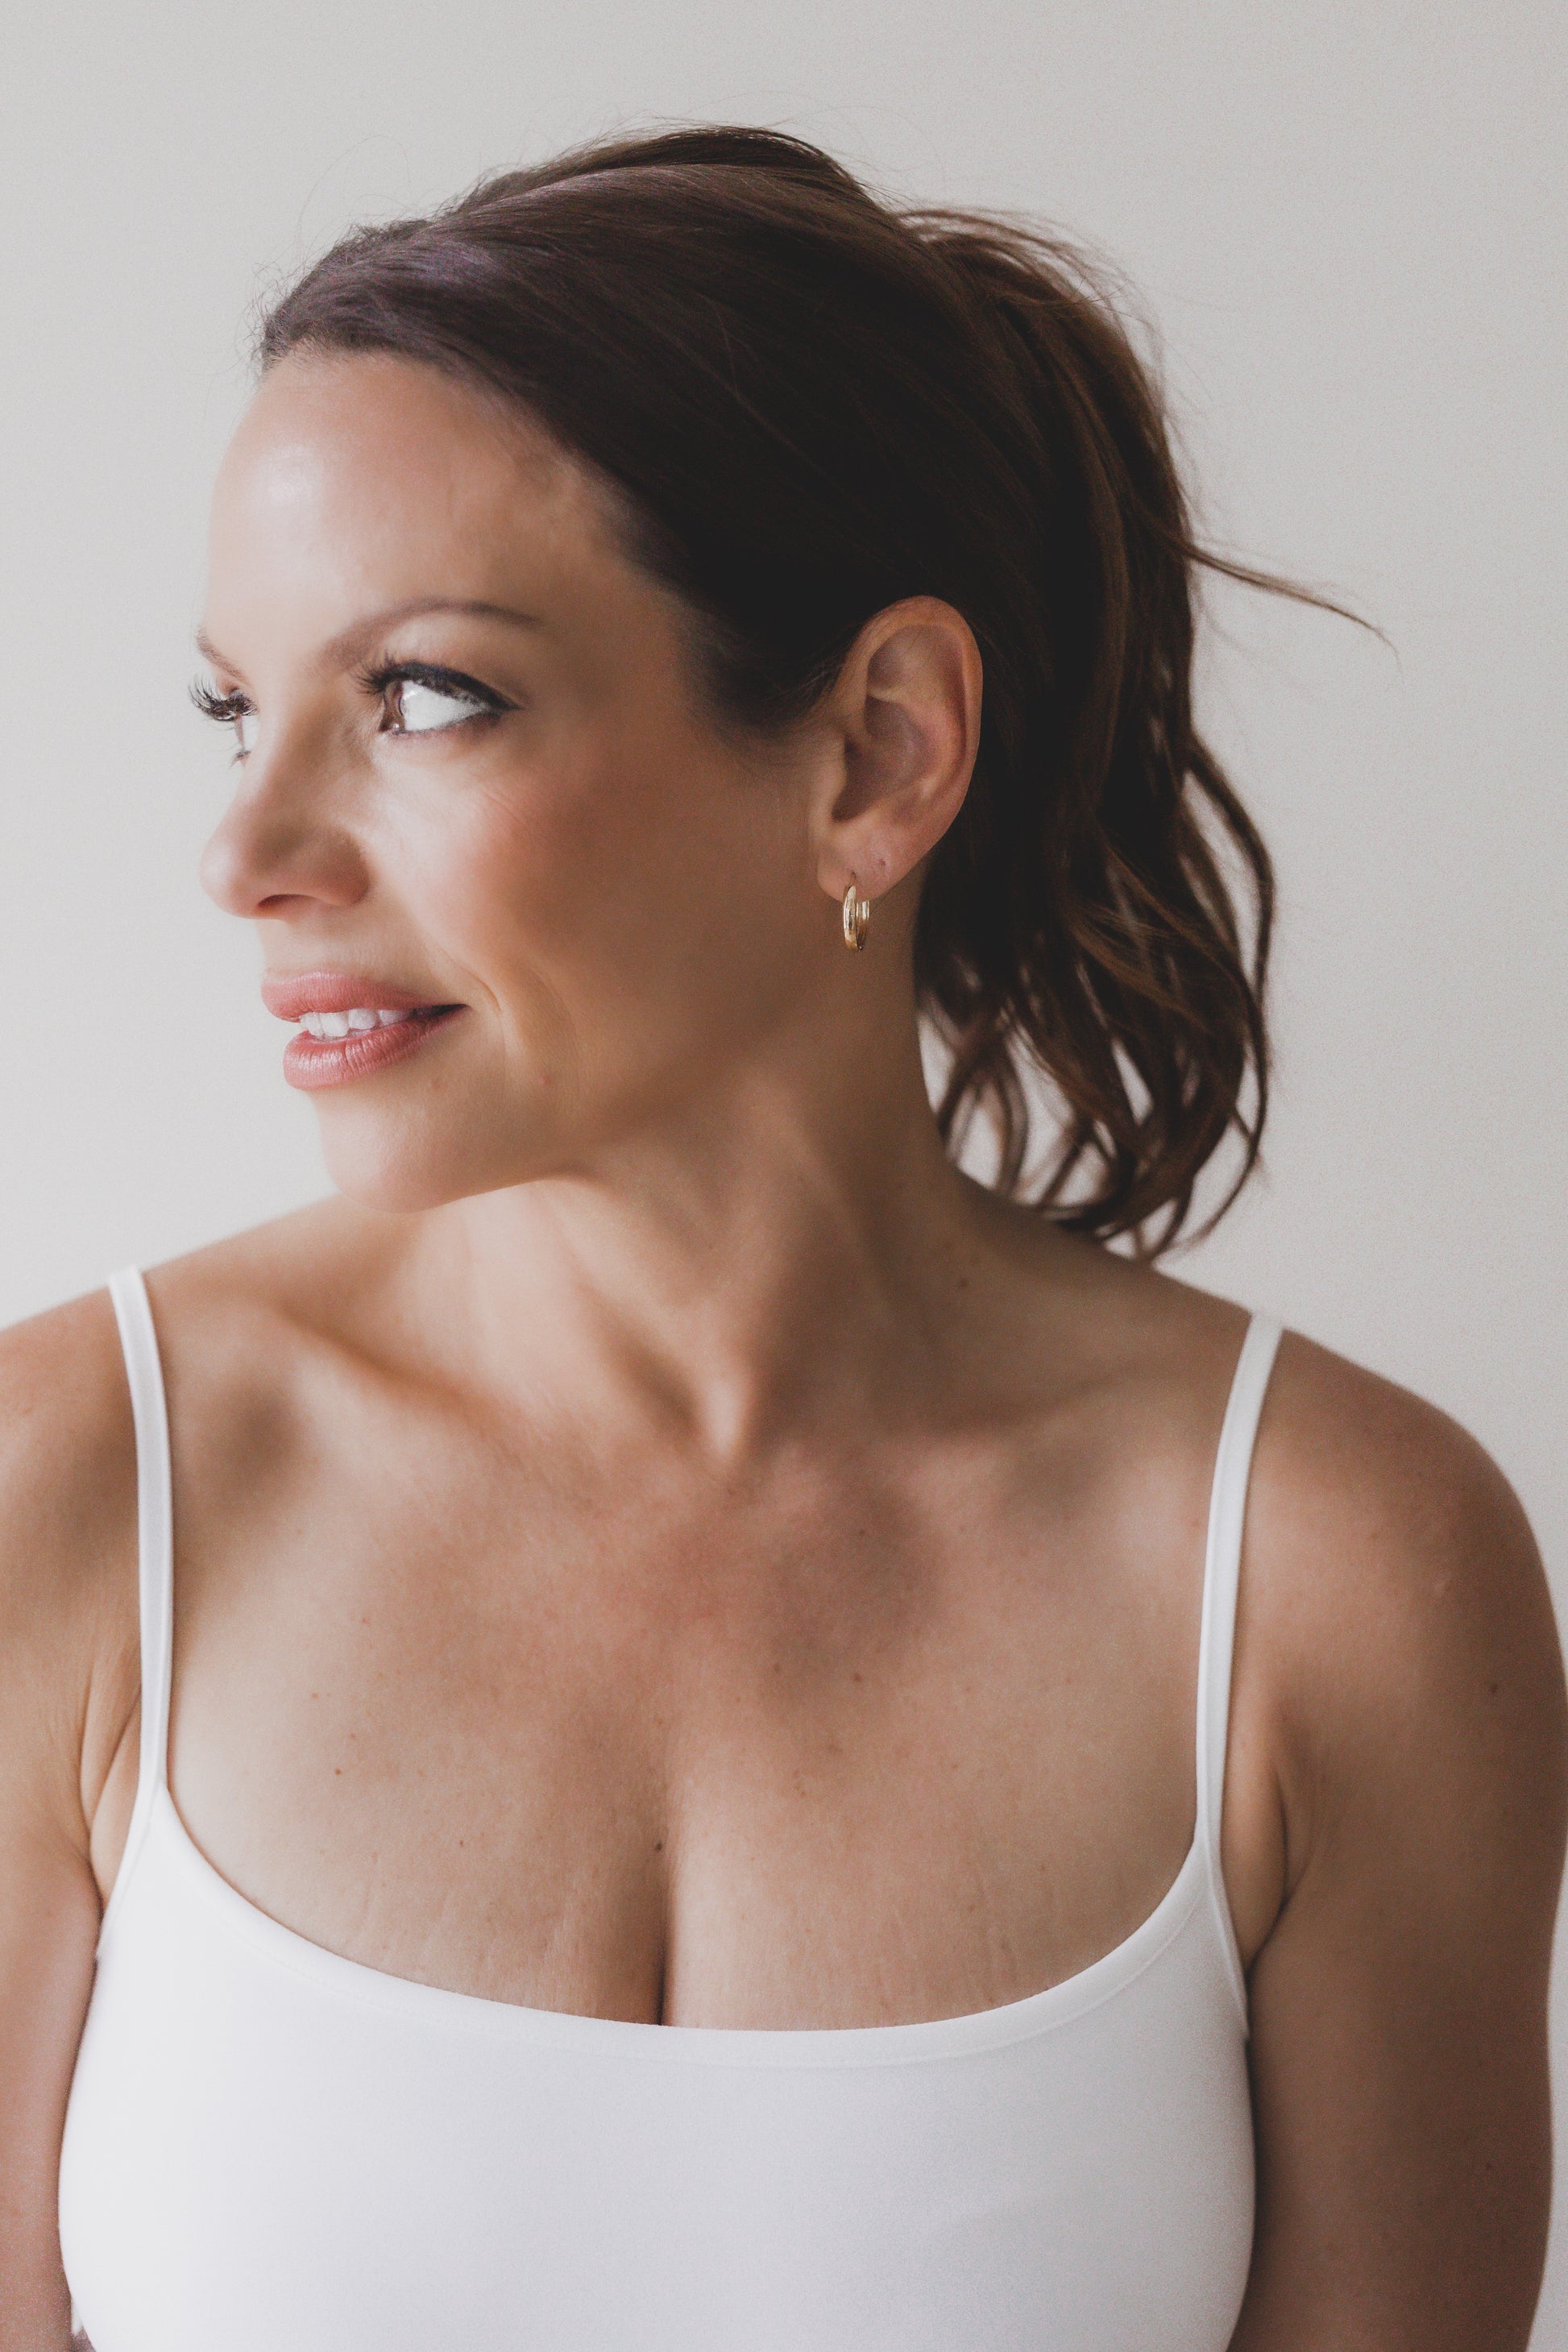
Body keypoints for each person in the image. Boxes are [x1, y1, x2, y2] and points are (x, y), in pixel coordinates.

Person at [2, 126, 1561, 2352]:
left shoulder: (1333, 1584)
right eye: (236, 711)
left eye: (424, 694)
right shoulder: (65, 1494)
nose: (248, 853)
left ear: (874, 756)